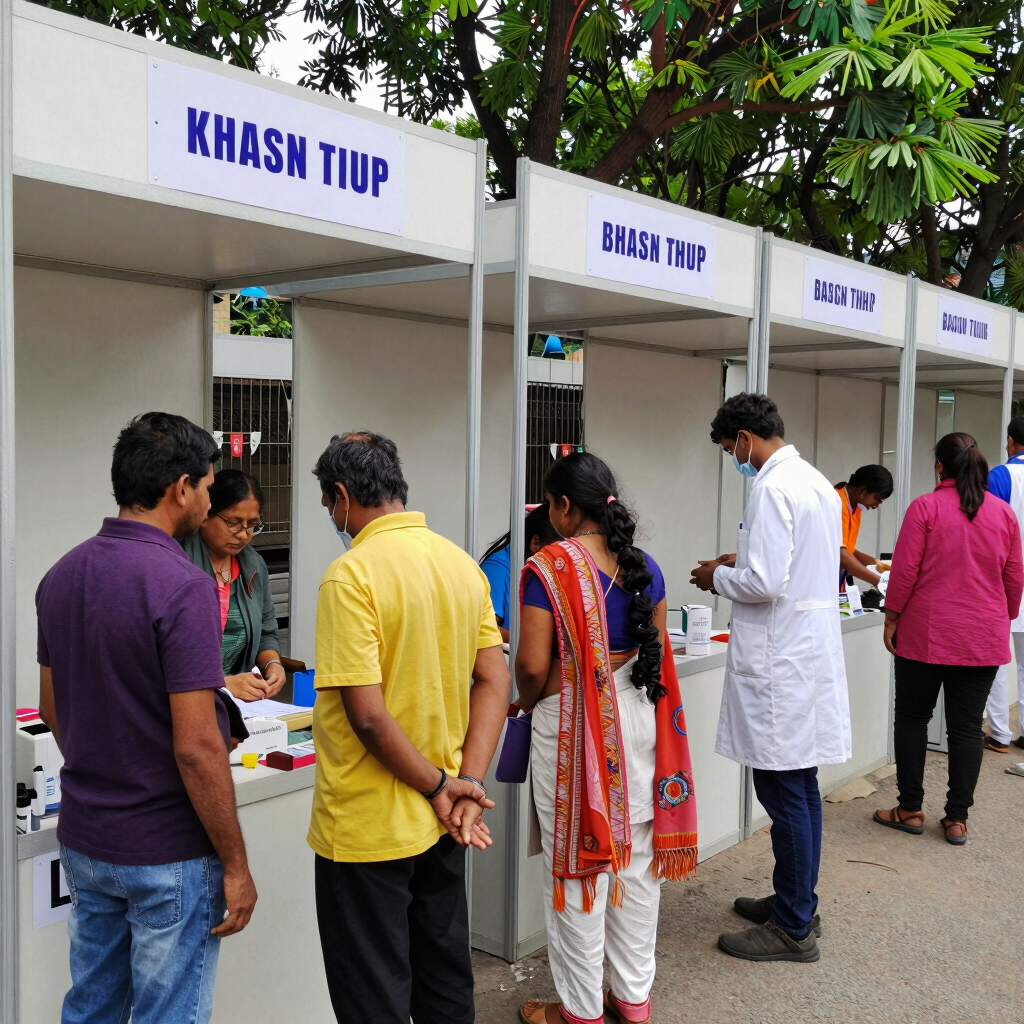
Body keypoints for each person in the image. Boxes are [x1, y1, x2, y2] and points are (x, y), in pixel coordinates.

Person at [36, 412, 257, 1024]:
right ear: (181, 488)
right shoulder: (182, 586)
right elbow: (197, 747)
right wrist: (236, 865)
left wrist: (110, 765)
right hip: (167, 849)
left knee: (92, 1006)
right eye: (207, 486)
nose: (209, 500)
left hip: (86, 838)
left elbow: (53, 709)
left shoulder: (60, 576)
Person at [307, 431, 510, 1024]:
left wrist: (438, 785)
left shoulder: (350, 576)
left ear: (343, 495)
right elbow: (494, 680)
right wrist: (466, 782)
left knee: (373, 994)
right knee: (443, 977)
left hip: (368, 825)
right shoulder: (460, 565)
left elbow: (368, 716)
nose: (333, 519)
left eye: (328, 506)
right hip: (445, 820)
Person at [516, 452, 697, 1024]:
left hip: (575, 730)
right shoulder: (646, 565)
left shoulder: (548, 567)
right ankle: (633, 1001)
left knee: (579, 866)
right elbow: (655, 649)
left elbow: (531, 665)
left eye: (551, 505)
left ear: (565, 506)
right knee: (638, 865)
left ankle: (579, 1011)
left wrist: (532, 699)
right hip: (641, 721)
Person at [691, 393, 849, 964]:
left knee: (784, 794)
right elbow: (794, 562)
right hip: (803, 654)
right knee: (800, 788)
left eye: (729, 448)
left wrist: (715, 576)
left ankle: (792, 927)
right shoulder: (814, 481)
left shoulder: (771, 486)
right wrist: (740, 561)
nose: (733, 458)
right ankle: (796, 901)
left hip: (782, 661)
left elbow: (763, 583)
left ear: (743, 439)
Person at [874, 432, 1023, 844]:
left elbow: (904, 571)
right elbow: (1014, 577)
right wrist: (1002, 617)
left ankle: (909, 809)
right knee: (966, 728)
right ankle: (957, 819)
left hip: (925, 634)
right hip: (982, 639)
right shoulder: (1003, 514)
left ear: (940, 466)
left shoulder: (925, 507)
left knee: (912, 719)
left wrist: (891, 618)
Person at [181, 469, 285, 703]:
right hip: (188, 696)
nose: (243, 534)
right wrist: (222, 683)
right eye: (233, 523)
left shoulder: (254, 565)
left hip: (238, 701)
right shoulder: (180, 560)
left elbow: (266, 631)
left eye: (252, 524)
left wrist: (273, 664)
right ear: (206, 514)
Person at [982, 416, 1024, 753]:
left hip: (1003, 580)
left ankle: (999, 733)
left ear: (1010, 441)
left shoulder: (1001, 475)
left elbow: (985, 527)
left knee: (996, 660)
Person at [479, 504, 562, 641]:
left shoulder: (542, 570)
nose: (561, 559)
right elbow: (485, 629)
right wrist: (531, 642)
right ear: (536, 542)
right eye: (557, 552)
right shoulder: (498, 569)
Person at [835, 464, 894, 589]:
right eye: (878, 499)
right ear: (863, 490)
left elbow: (848, 549)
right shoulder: (835, 502)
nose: (878, 504)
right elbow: (840, 555)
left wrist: (876, 564)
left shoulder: (855, 509)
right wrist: (880, 582)